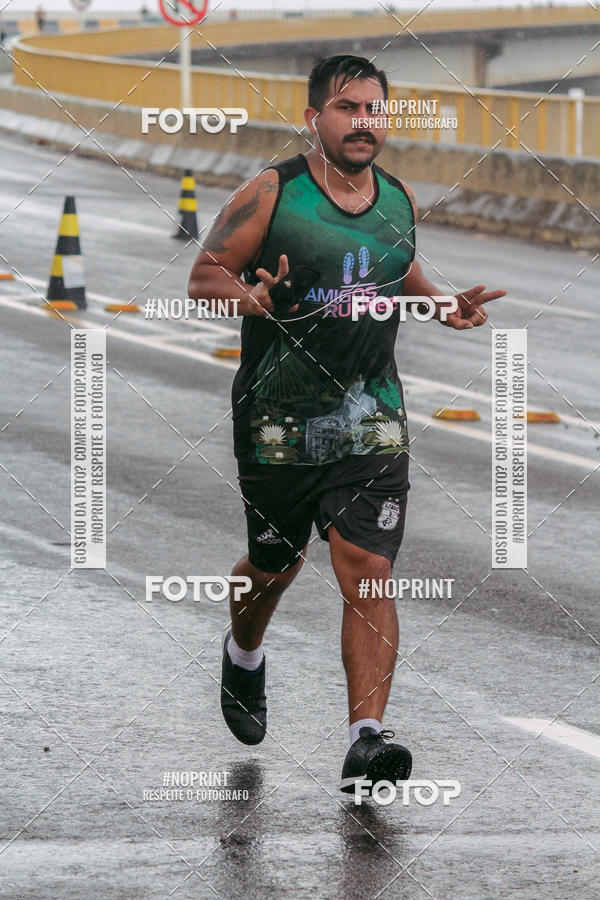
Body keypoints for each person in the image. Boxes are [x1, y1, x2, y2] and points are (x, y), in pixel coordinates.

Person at [187, 55, 505, 794]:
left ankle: (367, 739)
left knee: (368, 570)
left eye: (374, 109)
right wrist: (250, 299)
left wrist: (440, 302)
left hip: (372, 418)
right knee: (274, 569)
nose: (363, 121)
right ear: (313, 118)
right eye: (347, 107)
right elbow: (205, 277)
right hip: (278, 422)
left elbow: (399, 267)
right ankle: (243, 654)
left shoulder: (397, 196)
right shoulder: (273, 192)